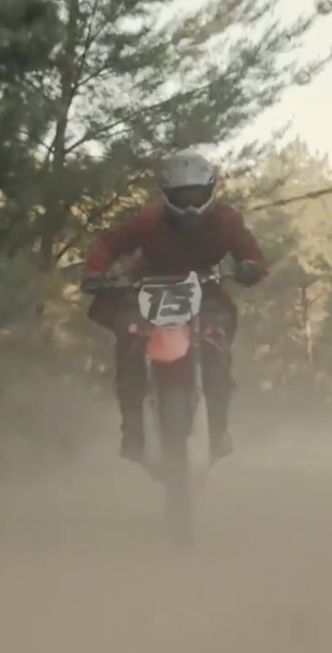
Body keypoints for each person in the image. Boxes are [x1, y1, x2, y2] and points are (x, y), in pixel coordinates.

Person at [80, 152, 265, 467]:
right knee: (131, 341)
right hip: (149, 289)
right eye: (183, 197)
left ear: (210, 191)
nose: (191, 205)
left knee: (216, 344)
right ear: (167, 196)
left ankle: (218, 428)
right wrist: (95, 272)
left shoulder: (226, 220)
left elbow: (252, 254)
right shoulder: (149, 220)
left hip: (205, 291)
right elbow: (109, 243)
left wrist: (250, 267)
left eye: (197, 196)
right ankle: (133, 430)